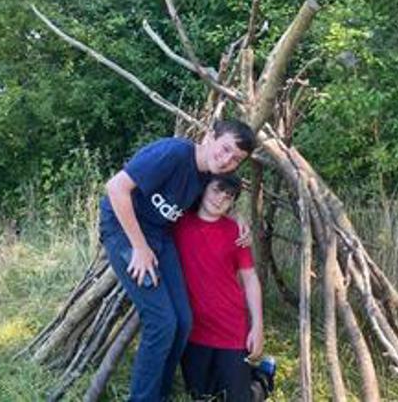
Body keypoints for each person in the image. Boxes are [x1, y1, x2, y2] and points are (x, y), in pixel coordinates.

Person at [99, 120, 256, 402]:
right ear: (209, 136)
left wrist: (237, 220)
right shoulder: (173, 154)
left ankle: (158, 394)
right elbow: (115, 188)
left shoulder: (206, 174)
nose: (227, 160)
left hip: (160, 235)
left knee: (182, 321)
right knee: (161, 322)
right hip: (125, 231)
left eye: (236, 159)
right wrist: (139, 246)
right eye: (225, 149)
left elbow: (217, 200)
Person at [174, 174, 276, 402]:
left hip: (230, 327)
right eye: (216, 190)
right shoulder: (179, 224)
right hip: (194, 330)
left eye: (228, 197)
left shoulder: (235, 233)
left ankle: (263, 377)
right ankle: (242, 374)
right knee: (201, 396)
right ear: (203, 189)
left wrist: (258, 326)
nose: (220, 199)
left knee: (237, 398)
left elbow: (250, 279)